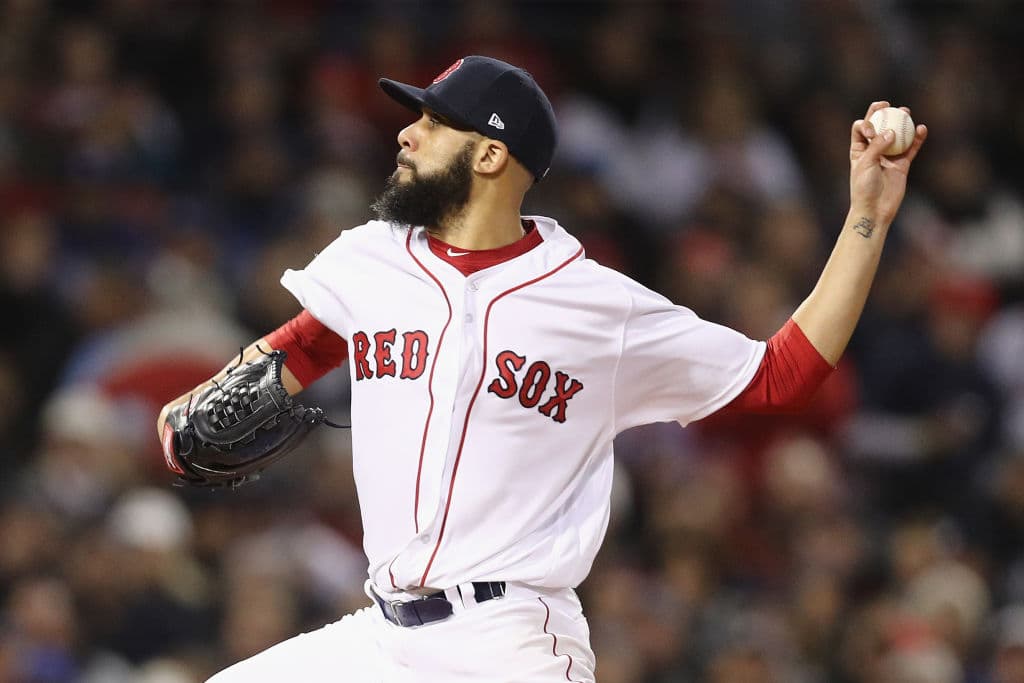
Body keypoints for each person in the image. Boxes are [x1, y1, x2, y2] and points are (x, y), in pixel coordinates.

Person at [157, 55, 927, 682]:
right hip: (382, 636)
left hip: (509, 639)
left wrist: (869, 216)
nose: (407, 133)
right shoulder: (372, 259)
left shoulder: (595, 305)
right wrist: (187, 414)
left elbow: (779, 374)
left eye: (432, 120)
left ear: (490, 154)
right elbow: (301, 347)